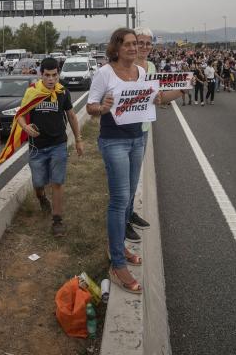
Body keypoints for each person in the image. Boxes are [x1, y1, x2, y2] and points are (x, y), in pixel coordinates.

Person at [86, 28, 180, 295]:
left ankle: (119, 246)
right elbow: (91, 107)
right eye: (127, 44)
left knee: (128, 200)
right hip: (113, 141)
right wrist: (102, 107)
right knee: (119, 199)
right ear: (116, 47)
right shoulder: (104, 73)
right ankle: (117, 264)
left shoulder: (141, 74)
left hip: (137, 139)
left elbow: (158, 100)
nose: (133, 47)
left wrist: (182, 90)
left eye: (135, 44)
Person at [18, 58, 84, 236]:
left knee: (57, 181)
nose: (51, 79)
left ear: (58, 74)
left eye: (54, 75)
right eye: (47, 75)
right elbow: (20, 116)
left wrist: (78, 139)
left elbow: (71, 116)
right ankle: (42, 199)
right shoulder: (32, 93)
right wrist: (25, 127)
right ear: (41, 75)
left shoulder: (63, 92)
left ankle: (57, 220)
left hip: (58, 145)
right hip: (37, 148)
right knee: (39, 183)